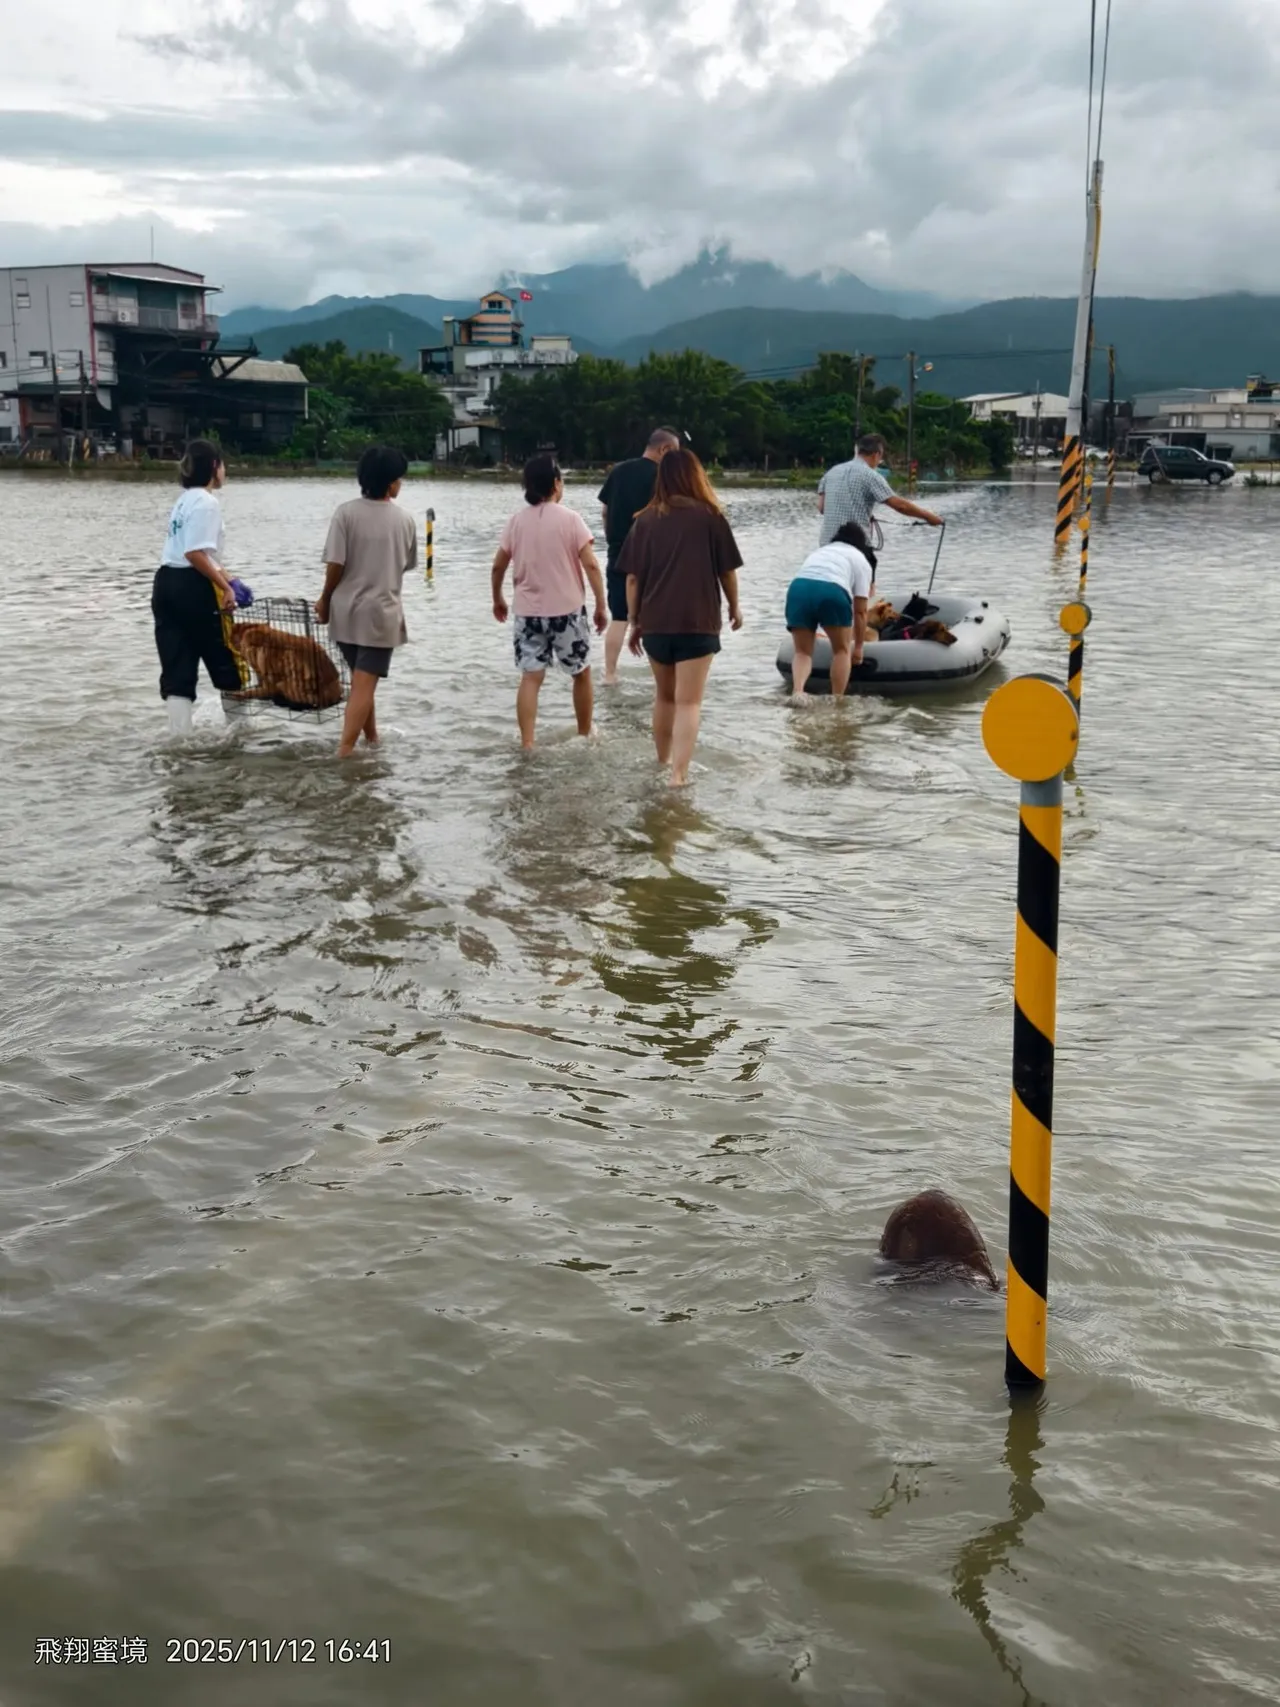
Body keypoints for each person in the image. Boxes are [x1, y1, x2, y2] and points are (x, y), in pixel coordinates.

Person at [618, 448, 743, 788]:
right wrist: (734, 607)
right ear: (696, 475)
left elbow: (631, 578)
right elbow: (726, 572)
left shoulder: (644, 520)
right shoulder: (711, 516)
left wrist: (634, 620)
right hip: (698, 621)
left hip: (655, 623)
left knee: (664, 697)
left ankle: (661, 764)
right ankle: (678, 776)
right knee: (689, 702)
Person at [492, 455, 608, 750]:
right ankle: (584, 735)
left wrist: (499, 599)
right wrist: (600, 605)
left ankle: (528, 744)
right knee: (581, 673)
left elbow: (498, 566)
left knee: (531, 678)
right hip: (567, 612)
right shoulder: (571, 519)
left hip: (527, 614)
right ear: (556, 483)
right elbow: (591, 566)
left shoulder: (516, 522)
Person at [316, 444, 418, 759]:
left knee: (362, 682)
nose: (401, 484)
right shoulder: (405, 520)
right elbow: (406, 564)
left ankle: (372, 739)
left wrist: (324, 599)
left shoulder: (345, 513)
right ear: (390, 483)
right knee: (364, 685)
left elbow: (336, 565)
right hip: (380, 615)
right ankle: (345, 752)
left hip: (345, 613)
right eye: (399, 479)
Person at [152, 439, 242, 735]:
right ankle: (241, 731)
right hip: (193, 587)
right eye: (223, 465)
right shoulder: (207, 502)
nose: (225, 471)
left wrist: (228, 577)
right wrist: (224, 588)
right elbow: (194, 553)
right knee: (225, 657)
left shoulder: (184, 500)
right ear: (214, 467)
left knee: (177, 663)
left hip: (166, 582)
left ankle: (180, 738)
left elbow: (197, 553)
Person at [597, 427, 680, 683]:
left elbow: (604, 511)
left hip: (618, 550)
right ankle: (664, 676)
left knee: (619, 617)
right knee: (658, 617)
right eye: (674, 453)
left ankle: (610, 674)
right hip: (653, 555)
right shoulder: (663, 477)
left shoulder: (619, 470)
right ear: (664, 449)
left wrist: (614, 539)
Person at [785, 521, 876, 701]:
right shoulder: (860, 560)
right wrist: (858, 647)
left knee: (802, 652)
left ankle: (798, 693)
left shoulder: (821, 552)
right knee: (841, 651)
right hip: (832, 591)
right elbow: (860, 611)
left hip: (798, 589)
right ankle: (837, 701)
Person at [817, 433, 942, 548]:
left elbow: (822, 508)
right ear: (876, 454)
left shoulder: (831, 472)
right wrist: (929, 516)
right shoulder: (871, 475)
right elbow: (900, 506)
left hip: (826, 545)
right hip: (855, 547)